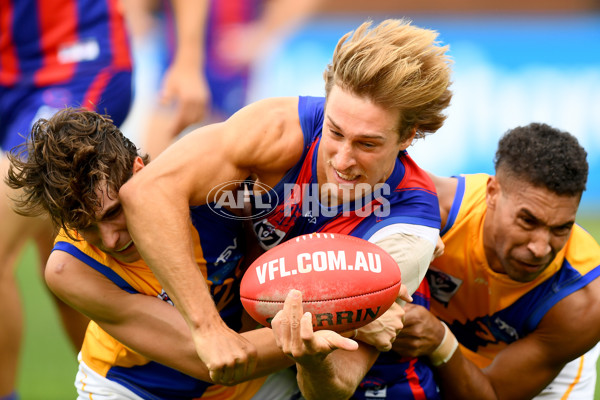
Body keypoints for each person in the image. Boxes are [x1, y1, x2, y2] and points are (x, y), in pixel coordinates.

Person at [119, 17, 453, 396]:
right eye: (335, 132)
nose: (343, 159)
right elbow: (146, 192)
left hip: (337, 377)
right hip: (224, 328)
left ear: (408, 136)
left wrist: (314, 354)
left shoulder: (405, 232)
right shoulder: (280, 130)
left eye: (367, 144)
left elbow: (338, 385)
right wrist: (207, 328)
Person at [6, 107, 404, 399]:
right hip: (136, 390)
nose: (108, 239)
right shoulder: (70, 269)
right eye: (85, 226)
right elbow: (216, 361)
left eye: (113, 212)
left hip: (256, 382)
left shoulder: (210, 192)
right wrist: (343, 320)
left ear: (140, 172)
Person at [392, 123, 600, 399]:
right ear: (492, 193)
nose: (540, 248)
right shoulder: (434, 211)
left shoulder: (583, 300)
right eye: (527, 221)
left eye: (561, 228)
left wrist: (441, 342)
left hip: (535, 377)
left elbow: (494, 394)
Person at [0, 1, 132, 397]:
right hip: (9, 75)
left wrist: (187, 62)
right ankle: (124, 388)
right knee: (64, 260)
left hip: (77, 60)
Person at [122, 0, 321, 158]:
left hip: (227, 59)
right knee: (153, 157)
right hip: (180, 55)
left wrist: (264, 33)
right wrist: (135, 12)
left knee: (227, 163)